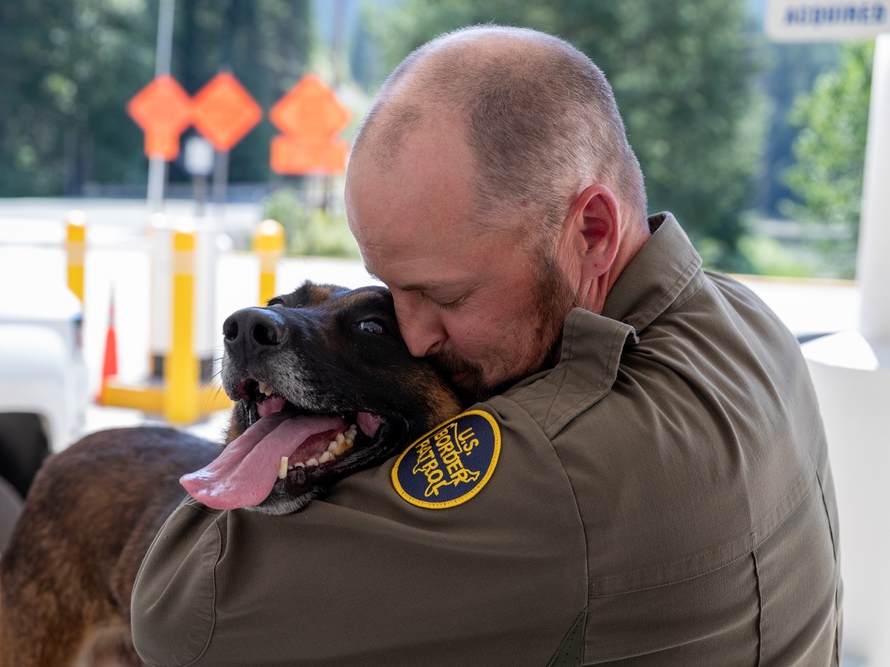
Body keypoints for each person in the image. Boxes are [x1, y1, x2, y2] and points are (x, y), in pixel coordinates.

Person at [132, 25, 841, 665]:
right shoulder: (743, 319)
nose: (413, 335)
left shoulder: (566, 467)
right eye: (388, 290)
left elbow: (184, 605)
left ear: (591, 230)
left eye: (444, 296)